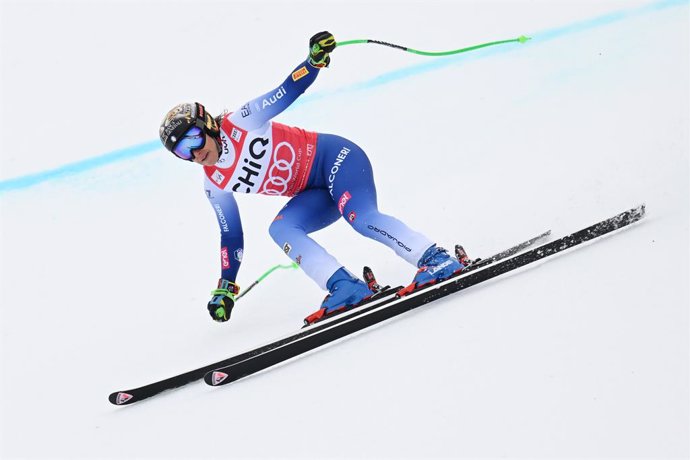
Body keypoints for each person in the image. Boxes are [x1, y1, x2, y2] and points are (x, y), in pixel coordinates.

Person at [158, 32, 467, 326]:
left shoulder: (243, 120)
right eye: (182, 152)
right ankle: (345, 287)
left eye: (194, 139)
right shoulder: (214, 184)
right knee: (280, 229)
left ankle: (435, 258)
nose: (194, 153)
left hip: (338, 160)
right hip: (315, 192)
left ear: (209, 125)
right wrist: (226, 286)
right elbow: (232, 237)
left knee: (360, 218)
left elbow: (287, 90)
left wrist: (313, 61)